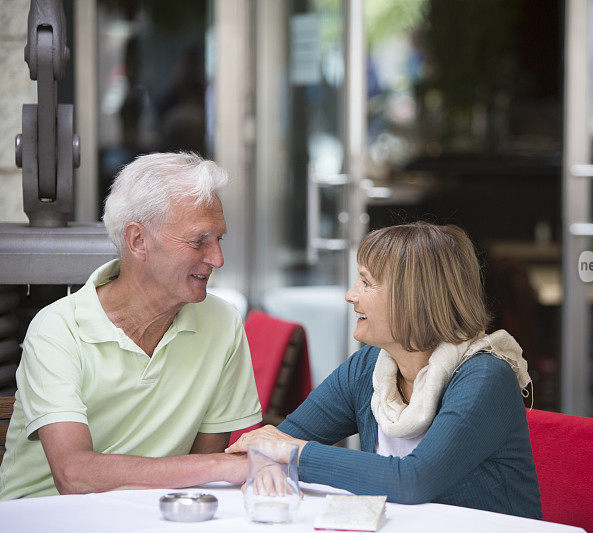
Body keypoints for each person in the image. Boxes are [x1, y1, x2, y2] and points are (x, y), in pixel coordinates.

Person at [228, 222, 542, 519]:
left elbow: (413, 481)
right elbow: (277, 441)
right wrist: (270, 461)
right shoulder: (368, 369)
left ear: (414, 297)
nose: (351, 295)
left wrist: (292, 454)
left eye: (366, 282)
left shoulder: (485, 377)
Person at [0, 153, 261, 499]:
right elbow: (74, 476)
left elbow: (198, 480)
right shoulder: (58, 329)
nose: (217, 259)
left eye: (219, 240)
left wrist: (214, 467)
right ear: (138, 241)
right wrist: (222, 466)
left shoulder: (222, 323)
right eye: (199, 241)